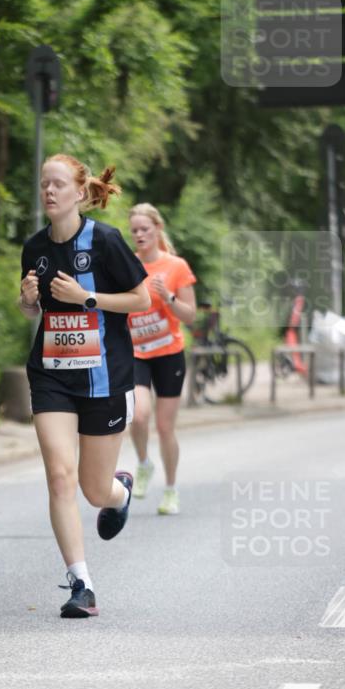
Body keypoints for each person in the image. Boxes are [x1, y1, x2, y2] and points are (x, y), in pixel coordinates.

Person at [19, 155, 149, 618]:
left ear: (78, 192)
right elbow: (32, 311)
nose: (49, 192)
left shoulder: (106, 241)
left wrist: (87, 297)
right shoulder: (34, 247)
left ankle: (120, 492)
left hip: (105, 376)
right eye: (43, 185)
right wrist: (28, 301)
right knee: (60, 476)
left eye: (57, 185)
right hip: (52, 374)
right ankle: (81, 584)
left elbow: (142, 298)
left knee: (95, 490)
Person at [127, 203, 197, 515]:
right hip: (136, 353)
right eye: (135, 231)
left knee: (165, 427)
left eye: (145, 229)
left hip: (169, 354)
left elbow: (190, 315)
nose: (140, 235)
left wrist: (167, 298)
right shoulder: (127, 264)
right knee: (138, 415)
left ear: (157, 229)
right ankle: (143, 463)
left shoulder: (176, 266)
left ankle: (171, 490)